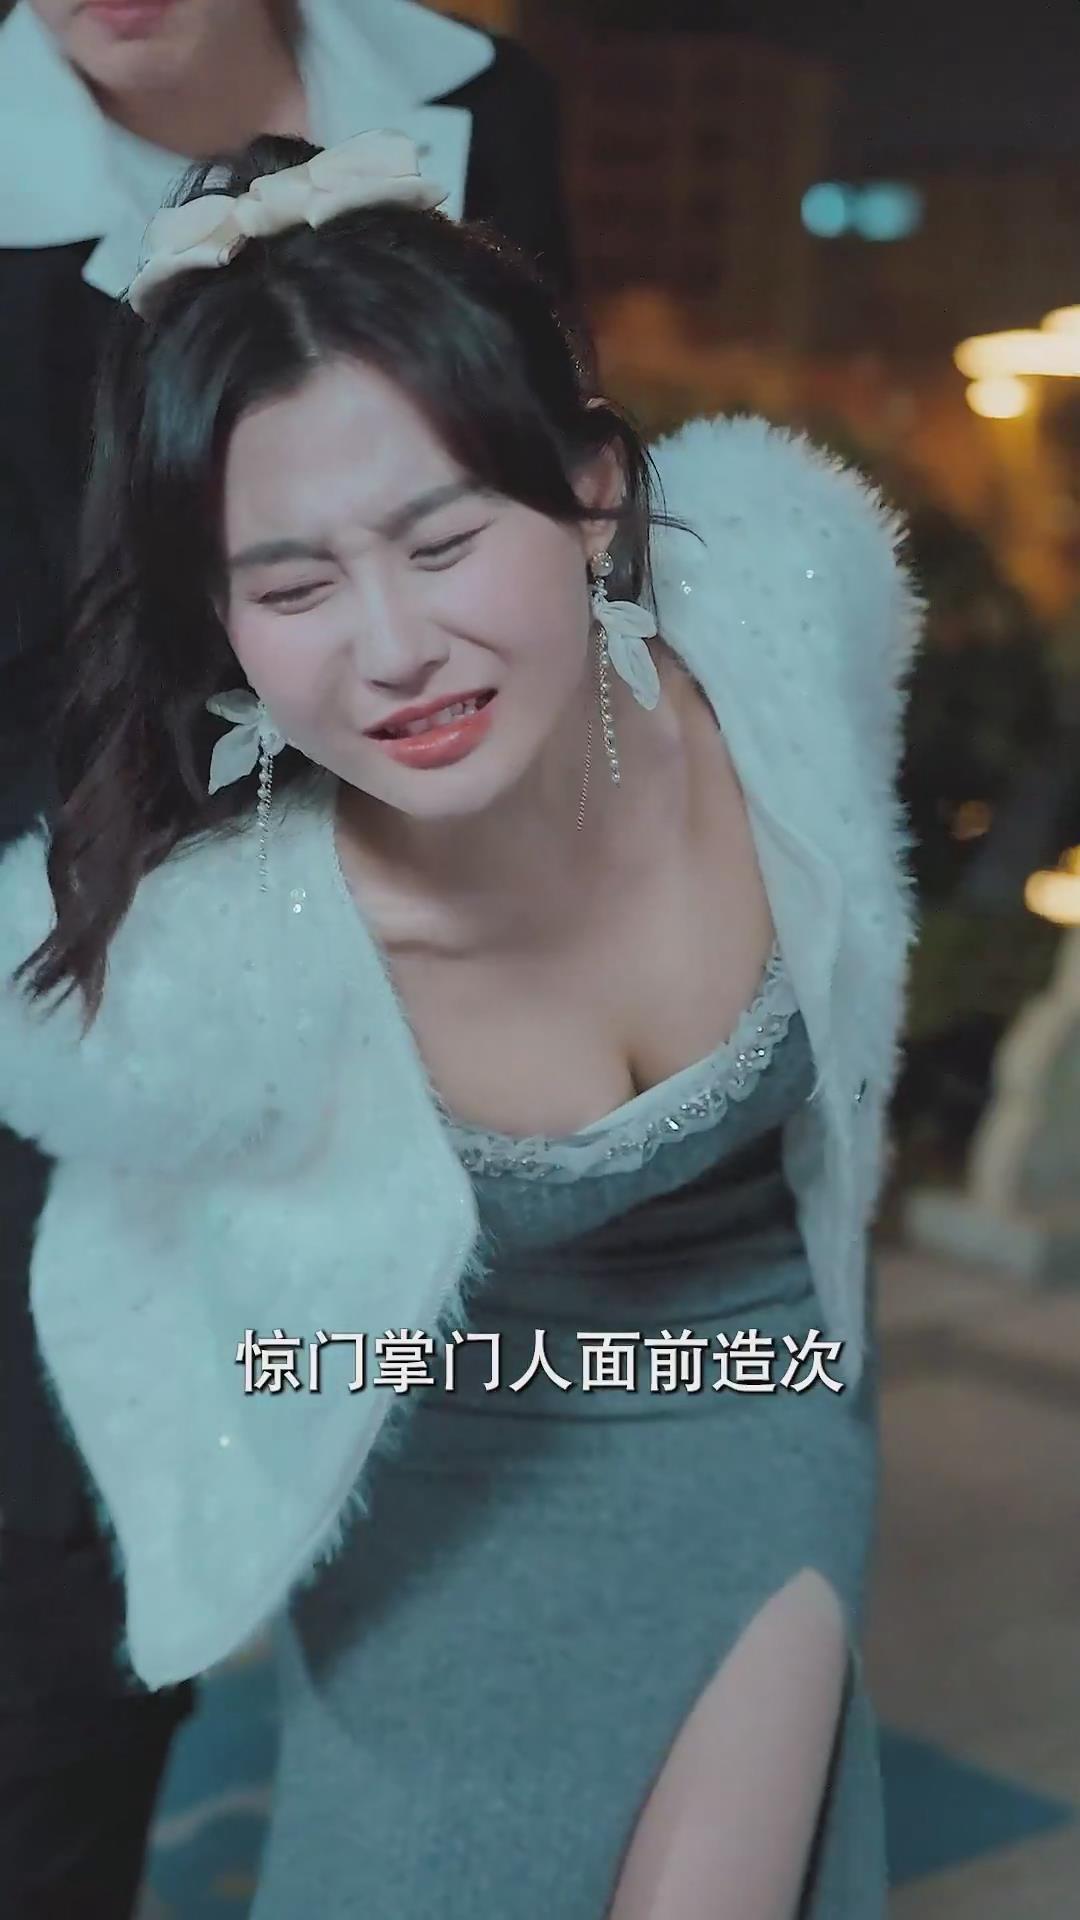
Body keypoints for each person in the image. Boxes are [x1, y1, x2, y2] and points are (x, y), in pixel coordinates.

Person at [0, 130, 920, 1917]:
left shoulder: (781, 640)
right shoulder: (209, 977)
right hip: (440, 1497)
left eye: (441, 542)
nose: (392, 649)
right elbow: (180, 1342)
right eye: (292, 588)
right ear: (218, 619)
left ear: (592, 496)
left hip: (776, 1398)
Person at [0, 5, 573, 1914]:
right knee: (64, 1638)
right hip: (83, 966)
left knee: (490, 1591)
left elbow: (532, 493)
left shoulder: (478, 104)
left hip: (461, 950)